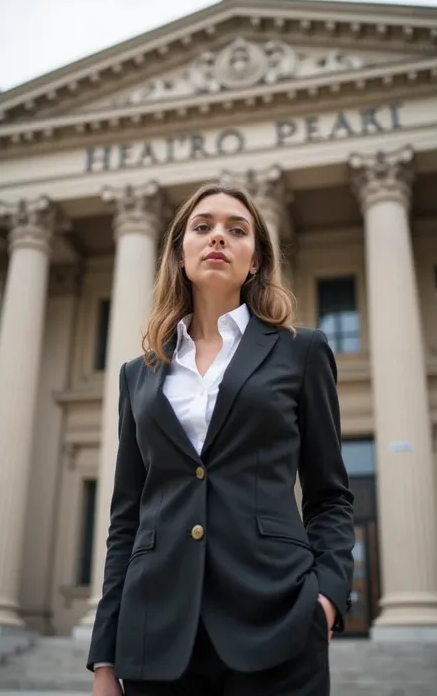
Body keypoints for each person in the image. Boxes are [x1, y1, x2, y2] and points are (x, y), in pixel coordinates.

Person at [87, 183, 355, 696]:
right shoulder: (136, 376)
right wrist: (104, 657)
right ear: (179, 253)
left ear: (254, 260)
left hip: (276, 625)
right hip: (155, 637)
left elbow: (329, 496)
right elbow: (127, 520)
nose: (218, 238)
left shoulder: (302, 352)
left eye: (237, 230)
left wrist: (326, 601)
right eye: (203, 227)